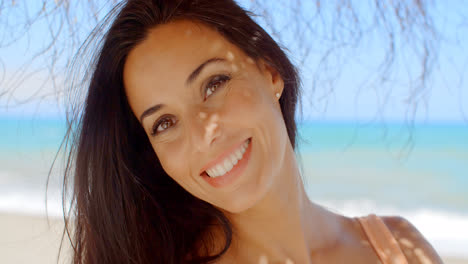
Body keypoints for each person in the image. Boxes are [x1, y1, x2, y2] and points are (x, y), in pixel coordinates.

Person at [63, 0, 443, 263]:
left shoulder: (398, 250)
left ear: (269, 72)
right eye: (164, 123)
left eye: (213, 84)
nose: (202, 134)